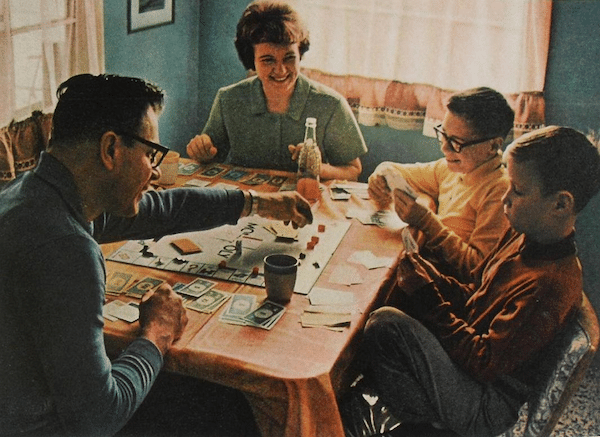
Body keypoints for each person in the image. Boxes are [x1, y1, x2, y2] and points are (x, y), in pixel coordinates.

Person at [0, 73, 312, 436]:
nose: (156, 171)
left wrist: (256, 201)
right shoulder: (67, 250)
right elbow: (97, 419)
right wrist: (157, 334)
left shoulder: (31, 194)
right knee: (228, 405)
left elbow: (163, 209)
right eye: (150, 154)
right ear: (111, 149)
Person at [343, 126, 600, 437]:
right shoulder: (523, 234)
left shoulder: (550, 285)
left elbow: (482, 362)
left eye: (517, 191)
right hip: (470, 369)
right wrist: (433, 279)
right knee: (395, 298)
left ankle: (425, 426)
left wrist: (428, 296)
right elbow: (476, 292)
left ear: (561, 204)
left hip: (484, 403)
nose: (505, 199)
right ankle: (396, 410)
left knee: (386, 323)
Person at [186, 0, 367, 181]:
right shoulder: (228, 99)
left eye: (289, 58)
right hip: (243, 200)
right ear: (252, 61)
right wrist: (201, 152)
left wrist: (316, 167)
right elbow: (211, 158)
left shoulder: (331, 104)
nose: (281, 70)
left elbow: (352, 171)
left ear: (300, 54)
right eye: (268, 60)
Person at [368, 87, 514, 281]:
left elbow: (477, 269)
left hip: (449, 291)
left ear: (493, 146)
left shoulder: (499, 192)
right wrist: (381, 175)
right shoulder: (451, 169)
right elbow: (394, 169)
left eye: (456, 142)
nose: (445, 148)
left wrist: (427, 222)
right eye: (443, 135)